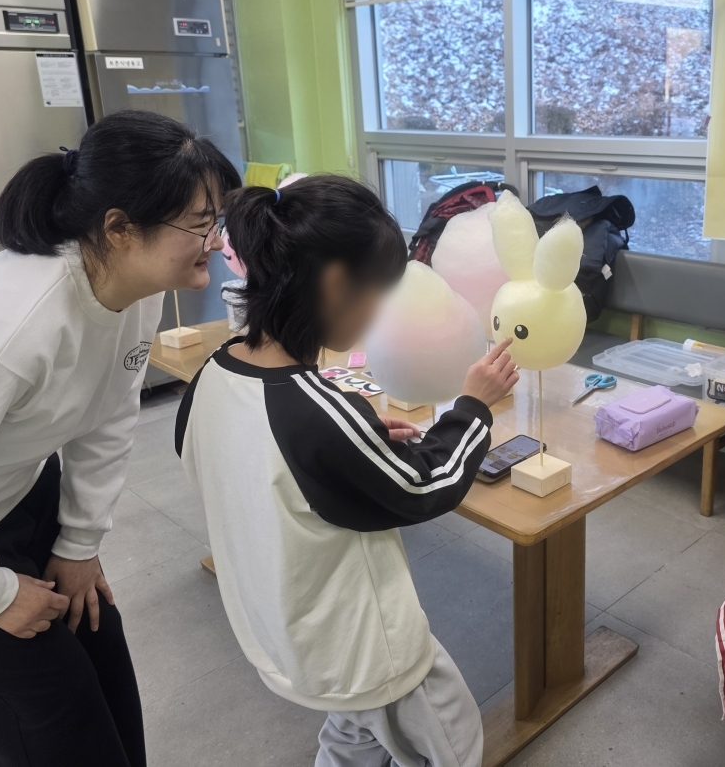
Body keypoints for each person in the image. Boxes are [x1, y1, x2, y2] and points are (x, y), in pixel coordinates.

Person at [0, 110, 240, 767]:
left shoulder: (135, 288)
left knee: (101, 653)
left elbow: (109, 414)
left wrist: (79, 544)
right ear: (119, 228)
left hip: (16, 493)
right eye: (199, 223)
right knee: (52, 715)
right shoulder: (6, 330)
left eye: (217, 220)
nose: (215, 241)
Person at [175, 175, 518, 767]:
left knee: (355, 733)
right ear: (336, 284)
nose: (380, 312)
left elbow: (224, 456)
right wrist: (473, 406)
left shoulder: (216, 370)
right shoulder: (315, 413)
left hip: (281, 624)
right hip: (365, 646)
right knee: (451, 738)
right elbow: (425, 485)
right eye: (378, 293)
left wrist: (349, 439)